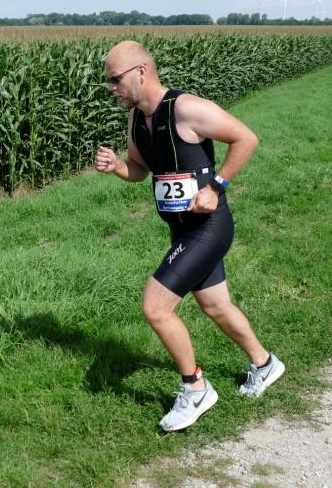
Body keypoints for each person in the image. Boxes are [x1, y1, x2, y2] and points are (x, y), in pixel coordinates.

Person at [95, 41, 285, 432]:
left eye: (115, 79)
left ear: (141, 72)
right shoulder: (136, 120)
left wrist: (215, 186)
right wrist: (117, 166)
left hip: (208, 228)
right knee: (216, 306)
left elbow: (246, 138)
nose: (111, 88)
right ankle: (265, 364)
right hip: (181, 230)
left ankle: (195, 388)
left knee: (155, 308)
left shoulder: (186, 109)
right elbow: (140, 170)